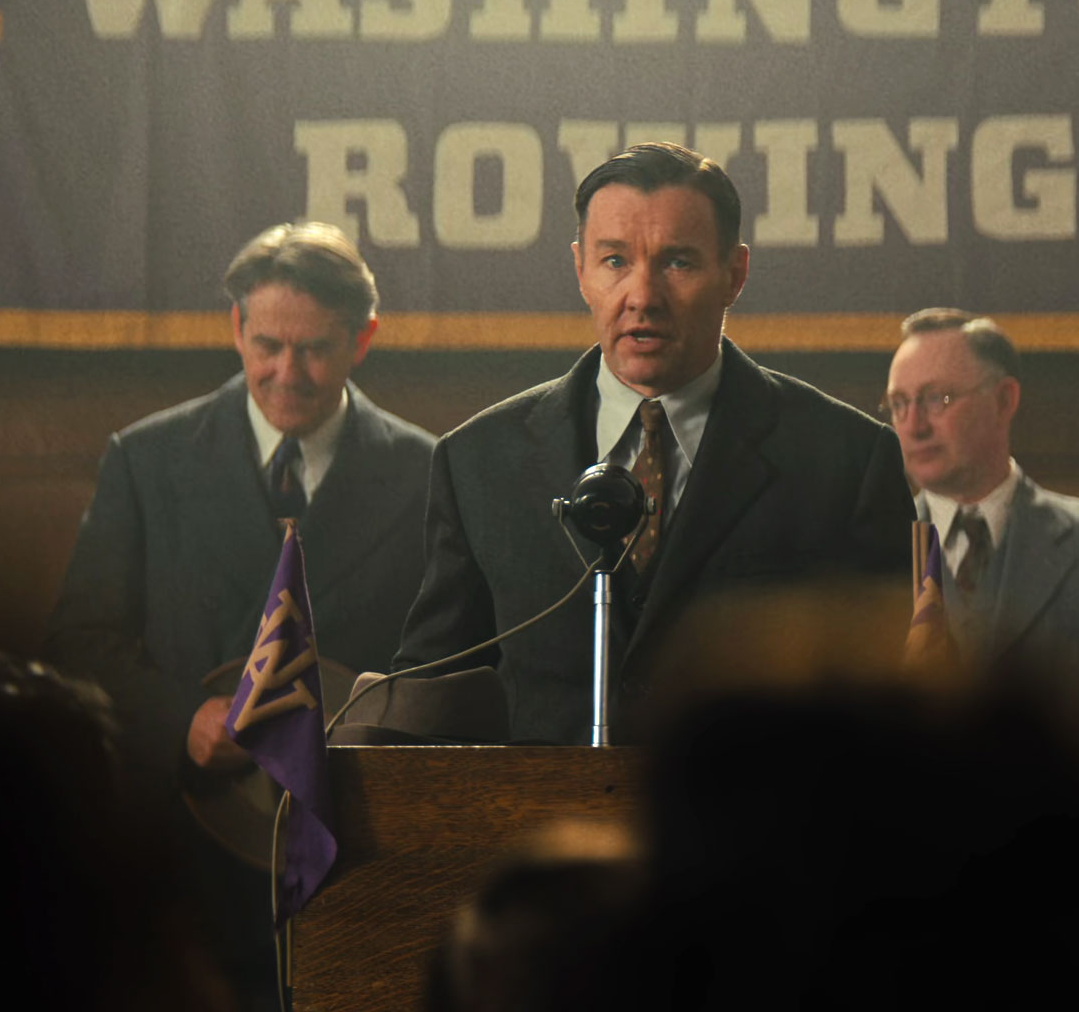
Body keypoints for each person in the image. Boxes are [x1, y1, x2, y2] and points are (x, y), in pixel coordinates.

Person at [391, 142, 913, 744]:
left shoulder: (847, 459)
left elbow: (891, 707)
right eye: (614, 261)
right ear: (580, 269)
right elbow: (427, 700)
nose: (642, 295)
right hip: (538, 829)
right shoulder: (479, 460)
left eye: (678, 263)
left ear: (734, 275)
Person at [45, 222, 436, 1005]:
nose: (286, 372)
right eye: (266, 345)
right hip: (186, 865)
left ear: (363, 339)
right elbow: (77, 645)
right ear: (236, 328)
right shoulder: (146, 459)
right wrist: (183, 720)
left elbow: (449, 660)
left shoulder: (427, 471)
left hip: (357, 858)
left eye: (315, 350)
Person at [884, 308, 1079, 779]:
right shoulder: (864, 550)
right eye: (899, 404)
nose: (913, 426)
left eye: (937, 399)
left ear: (1003, 400)